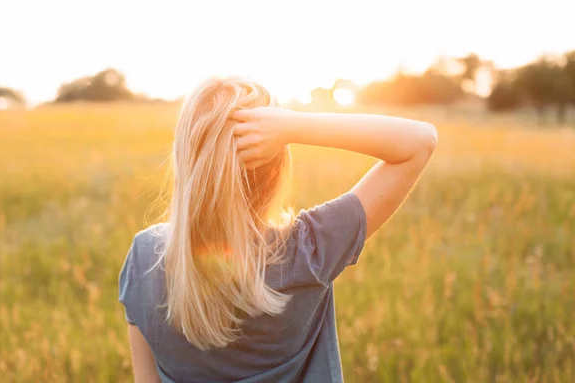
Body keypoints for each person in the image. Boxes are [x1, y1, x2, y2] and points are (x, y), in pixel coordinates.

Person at [118, 77, 437, 382]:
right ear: (276, 169)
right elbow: (419, 141)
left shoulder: (144, 257)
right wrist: (293, 125)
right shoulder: (307, 250)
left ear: (187, 157)